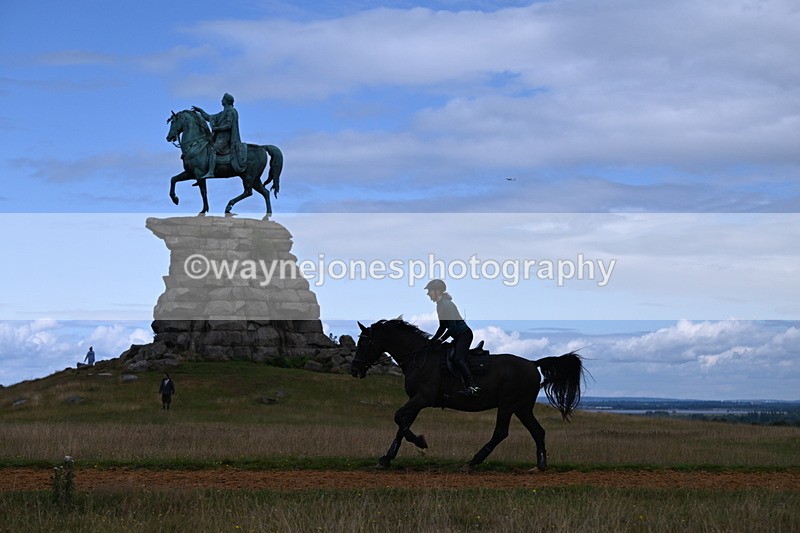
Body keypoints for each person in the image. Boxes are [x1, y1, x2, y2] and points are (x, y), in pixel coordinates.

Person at [425, 279, 480, 396]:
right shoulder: (439, 306)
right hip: (458, 336)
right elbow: (442, 327)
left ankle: (472, 386)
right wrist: (432, 341)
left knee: (458, 359)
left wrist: (440, 340)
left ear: (438, 291)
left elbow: (453, 327)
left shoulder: (447, 304)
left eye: (430, 291)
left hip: (464, 335)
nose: (428, 293)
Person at [191, 93, 247, 178]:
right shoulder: (222, 113)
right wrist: (201, 111)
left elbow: (229, 126)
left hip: (226, 139)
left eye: (223, 99)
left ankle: (211, 172)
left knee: (212, 149)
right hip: (219, 138)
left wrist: (217, 129)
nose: (221, 101)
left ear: (227, 101)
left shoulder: (231, 111)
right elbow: (209, 117)